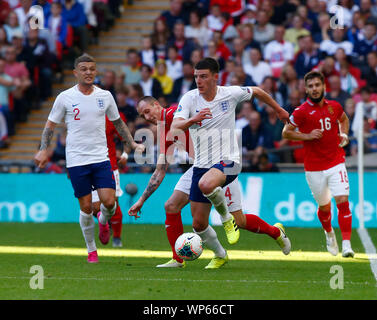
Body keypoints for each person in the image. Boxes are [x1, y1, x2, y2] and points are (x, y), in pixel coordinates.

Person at [129, 95, 291, 269]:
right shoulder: (165, 131)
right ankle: (186, 258)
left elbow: (203, 115)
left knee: (240, 221)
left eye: (147, 111)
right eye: (142, 116)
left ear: (157, 104)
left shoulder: (177, 112)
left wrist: (194, 119)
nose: (147, 117)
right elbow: (160, 170)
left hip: (221, 164)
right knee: (172, 207)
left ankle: (276, 232)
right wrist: (141, 200)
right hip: (199, 168)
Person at [170, 57, 290, 268]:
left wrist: (278, 110)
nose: (199, 81)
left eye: (204, 76)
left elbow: (258, 91)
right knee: (200, 224)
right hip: (202, 166)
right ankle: (268, 234)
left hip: (229, 162)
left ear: (215, 77)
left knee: (206, 185)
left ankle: (226, 219)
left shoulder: (230, 94)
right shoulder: (189, 99)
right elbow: (174, 127)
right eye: (197, 76)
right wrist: (193, 120)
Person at [34, 54, 144, 263]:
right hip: (76, 160)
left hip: (101, 159)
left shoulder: (105, 96)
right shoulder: (65, 97)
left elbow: (119, 123)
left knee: (109, 203)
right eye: (83, 69)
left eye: (92, 69)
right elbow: (50, 125)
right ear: (76, 73)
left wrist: (132, 144)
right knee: (86, 207)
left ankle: (103, 220)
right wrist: (43, 149)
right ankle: (91, 250)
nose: (88, 72)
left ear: (95, 71)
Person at [282, 70, 355, 258]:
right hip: (314, 168)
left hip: (336, 161)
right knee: (324, 208)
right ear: (306, 89)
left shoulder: (335, 106)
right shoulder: (300, 112)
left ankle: (347, 244)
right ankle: (329, 233)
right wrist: (307, 136)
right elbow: (286, 132)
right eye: (311, 86)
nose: (314, 89)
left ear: (324, 86)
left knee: (343, 201)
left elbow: (344, 120)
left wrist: (344, 134)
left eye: (317, 85)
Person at [92, 112, 128, 248]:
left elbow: (125, 137)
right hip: (88, 165)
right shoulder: (82, 113)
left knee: (113, 203)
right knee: (93, 208)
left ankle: (117, 238)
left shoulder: (112, 115)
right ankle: (105, 222)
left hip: (109, 165)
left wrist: (124, 153)